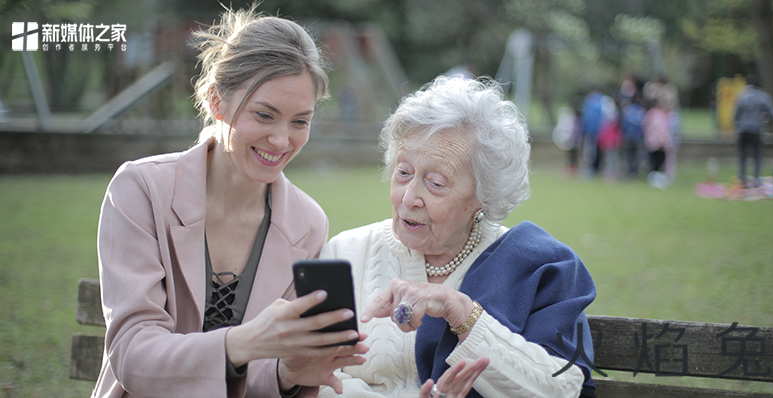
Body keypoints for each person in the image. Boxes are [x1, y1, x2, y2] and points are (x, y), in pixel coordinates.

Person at [93, 7, 368, 398]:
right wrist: (240, 343)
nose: (281, 140)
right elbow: (133, 356)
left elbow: (258, 379)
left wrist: (289, 374)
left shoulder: (307, 223)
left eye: (300, 121)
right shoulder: (140, 189)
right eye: (264, 114)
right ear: (215, 101)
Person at [319, 76, 597, 398]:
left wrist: (462, 312)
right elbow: (313, 376)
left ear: (485, 195)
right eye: (403, 172)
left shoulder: (537, 266)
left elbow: (565, 389)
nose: (409, 197)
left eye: (436, 183)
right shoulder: (345, 253)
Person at [734, 74, 773, 187]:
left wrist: (738, 125)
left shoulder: (741, 96)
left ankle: (742, 178)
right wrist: (767, 121)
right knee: (757, 155)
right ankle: (756, 179)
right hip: (756, 129)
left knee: (742, 155)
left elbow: (736, 115)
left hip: (743, 130)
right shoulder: (763, 97)